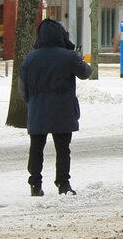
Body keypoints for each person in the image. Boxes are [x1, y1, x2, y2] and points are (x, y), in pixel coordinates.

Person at [18, 18, 91, 197]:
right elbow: (85, 73)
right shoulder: (68, 57)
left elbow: (22, 88)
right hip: (63, 110)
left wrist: (31, 103)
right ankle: (63, 183)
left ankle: (35, 184)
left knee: (36, 148)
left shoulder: (30, 58)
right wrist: (80, 59)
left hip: (37, 110)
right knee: (63, 149)